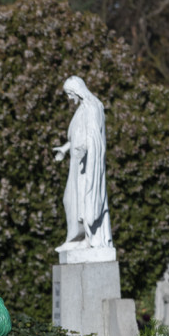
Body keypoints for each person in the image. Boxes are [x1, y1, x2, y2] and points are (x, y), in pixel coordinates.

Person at [53, 76, 113, 252]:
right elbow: (79, 134)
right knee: (70, 201)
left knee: (80, 201)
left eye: (70, 94)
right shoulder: (82, 109)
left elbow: (93, 137)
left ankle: (88, 238)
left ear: (77, 90)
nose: (70, 98)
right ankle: (76, 238)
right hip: (77, 166)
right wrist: (65, 149)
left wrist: (84, 148)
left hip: (87, 168)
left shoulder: (92, 106)